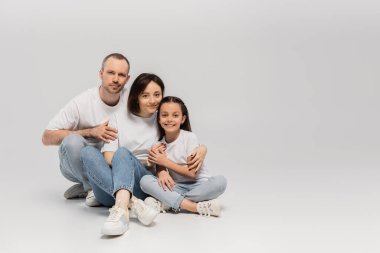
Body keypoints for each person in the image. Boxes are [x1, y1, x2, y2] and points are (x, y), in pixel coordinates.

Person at [80, 74, 207, 236]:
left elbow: (183, 138)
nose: (152, 100)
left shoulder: (162, 118)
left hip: (141, 183)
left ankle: (121, 214)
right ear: (136, 97)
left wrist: (203, 149)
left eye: (157, 95)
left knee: (123, 153)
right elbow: (108, 157)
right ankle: (132, 203)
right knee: (88, 152)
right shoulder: (119, 118)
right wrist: (126, 162)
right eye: (145, 95)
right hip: (109, 187)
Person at [42, 53, 130, 206]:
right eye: (110, 73)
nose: (116, 79)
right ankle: (91, 187)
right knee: (72, 141)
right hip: (77, 166)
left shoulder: (131, 100)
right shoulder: (83, 102)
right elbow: (47, 136)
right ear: (101, 73)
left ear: (127, 79)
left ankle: (89, 189)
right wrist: (90, 132)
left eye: (121, 75)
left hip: (110, 165)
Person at [140, 96, 227, 217]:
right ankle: (194, 206)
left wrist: (165, 162)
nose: (169, 119)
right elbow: (160, 170)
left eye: (175, 115)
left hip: (199, 185)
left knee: (220, 181)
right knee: (145, 181)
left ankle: (170, 202)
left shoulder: (189, 137)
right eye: (164, 115)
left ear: (183, 119)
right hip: (176, 187)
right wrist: (160, 169)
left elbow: (192, 173)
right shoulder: (158, 144)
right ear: (158, 119)